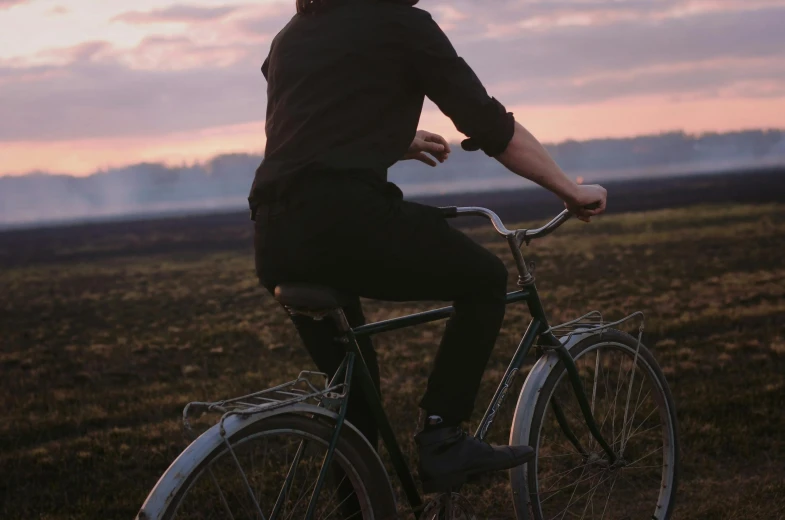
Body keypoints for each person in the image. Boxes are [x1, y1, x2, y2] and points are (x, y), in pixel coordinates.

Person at [249, 0, 607, 493]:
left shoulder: (291, 35)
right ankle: (443, 437)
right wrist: (570, 189)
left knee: (355, 400)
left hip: (275, 236)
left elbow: (310, 128)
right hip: (347, 222)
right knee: (485, 279)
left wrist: (393, 141)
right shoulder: (400, 23)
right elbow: (489, 125)